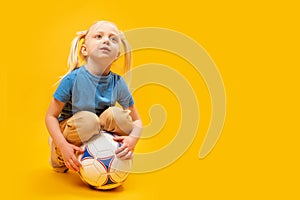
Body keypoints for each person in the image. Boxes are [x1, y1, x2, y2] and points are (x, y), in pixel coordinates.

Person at [45, 21, 143, 173]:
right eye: (98, 36)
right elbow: (50, 116)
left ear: (117, 54)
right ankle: (58, 153)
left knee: (119, 116)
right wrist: (62, 145)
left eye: (113, 39)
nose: (106, 40)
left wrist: (132, 140)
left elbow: (137, 121)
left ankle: (105, 153)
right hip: (74, 127)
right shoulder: (73, 79)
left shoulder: (118, 82)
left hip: (97, 126)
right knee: (89, 121)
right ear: (85, 49)